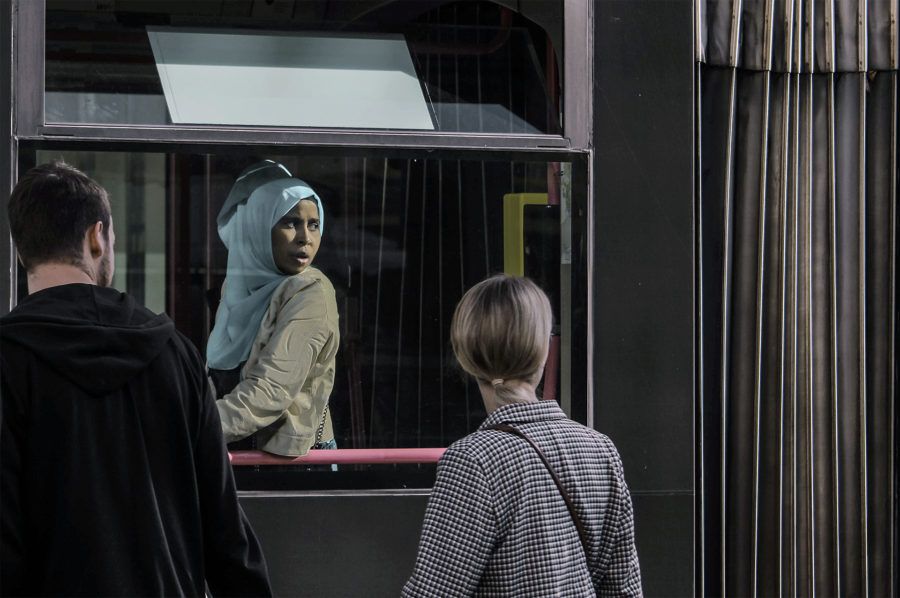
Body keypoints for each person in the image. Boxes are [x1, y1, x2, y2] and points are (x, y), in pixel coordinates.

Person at [0, 162, 272, 596]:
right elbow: (224, 530)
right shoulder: (175, 353)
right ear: (97, 236)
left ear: (21, 250)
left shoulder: (9, 359)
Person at [402, 275, 642, 597]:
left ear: (464, 355)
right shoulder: (601, 450)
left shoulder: (472, 461)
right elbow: (624, 590)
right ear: (544, 350)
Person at [207, 161, 340, 456]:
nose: (305, 237)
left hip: (288, 466)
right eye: (290, 223)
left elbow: (270, 391)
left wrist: (190, 426)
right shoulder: (238, 287)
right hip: (235, 451)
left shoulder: (310, 291)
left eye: (314, 225)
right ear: (258, 227)